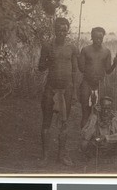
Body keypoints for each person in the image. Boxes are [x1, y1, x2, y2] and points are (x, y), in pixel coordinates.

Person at [38, 17, 78, 166]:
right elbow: (41, 67)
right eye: (59, 29)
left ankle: (61, 156)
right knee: (46, 122)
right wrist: (49, 59)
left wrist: (74, 92)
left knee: (64, 123)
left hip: (66, 90)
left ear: (67, 31)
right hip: (50, 89)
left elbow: (74, 71)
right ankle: (45, 156)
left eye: (64, 29)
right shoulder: (47, 46)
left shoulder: (72, 48)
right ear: (55, 30)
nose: (62, 32)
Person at [78, 27, 116, 128]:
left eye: (100, 37)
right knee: (85, 112)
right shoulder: (85, 50)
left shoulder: (106, 52)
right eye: (96, 37)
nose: (98, 39)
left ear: (103, 37)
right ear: (92, 37)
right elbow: (81, 68)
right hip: (87, 83)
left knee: (100, 111)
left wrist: (115, 63)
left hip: (100, 84)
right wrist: (79, 58)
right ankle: (84, 138)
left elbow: (108, 71)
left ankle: (97, 138)